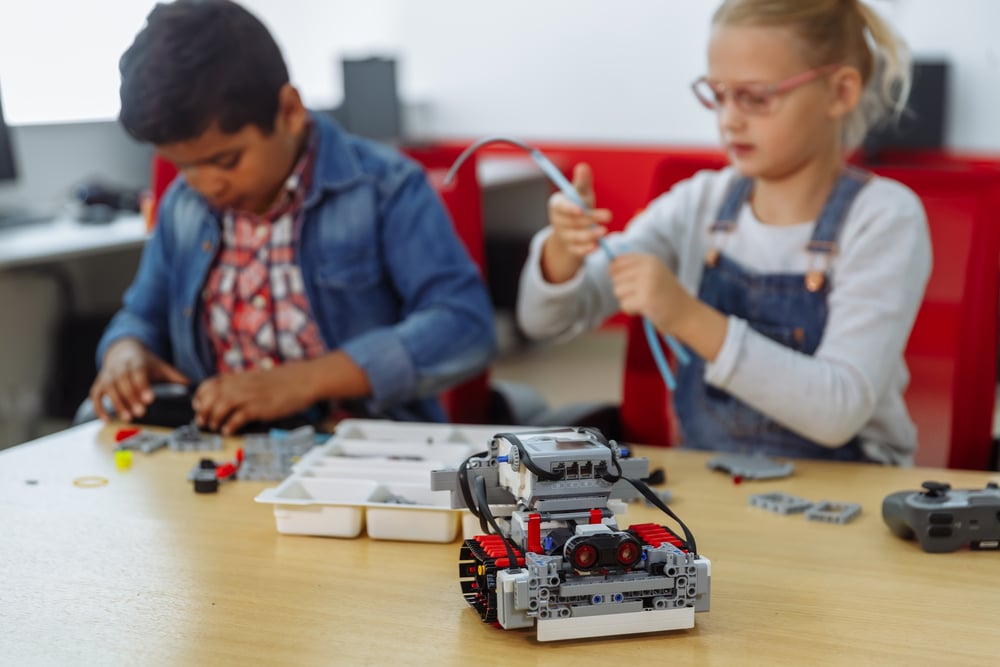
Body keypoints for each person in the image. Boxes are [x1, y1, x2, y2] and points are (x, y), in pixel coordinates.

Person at [517, 0, 931, 464]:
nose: (729, 119)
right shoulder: (698, 205)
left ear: (840, 91)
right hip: (715, 485)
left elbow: (837, 411)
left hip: (852, 495)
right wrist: (561, 255)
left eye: (755, 97)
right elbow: (542, 322)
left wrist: (686, 317)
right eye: (719, 94)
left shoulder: (884, 219)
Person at [89, 0, 496, 435]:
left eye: (226, 160)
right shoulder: (183, 205)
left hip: (358, 449)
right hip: (222, 453)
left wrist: (302, 382)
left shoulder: (386, 188)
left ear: (289, 110)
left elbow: (465, 324)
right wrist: (125, 350)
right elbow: (141, 315)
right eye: (185, 166)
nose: (209, 186)